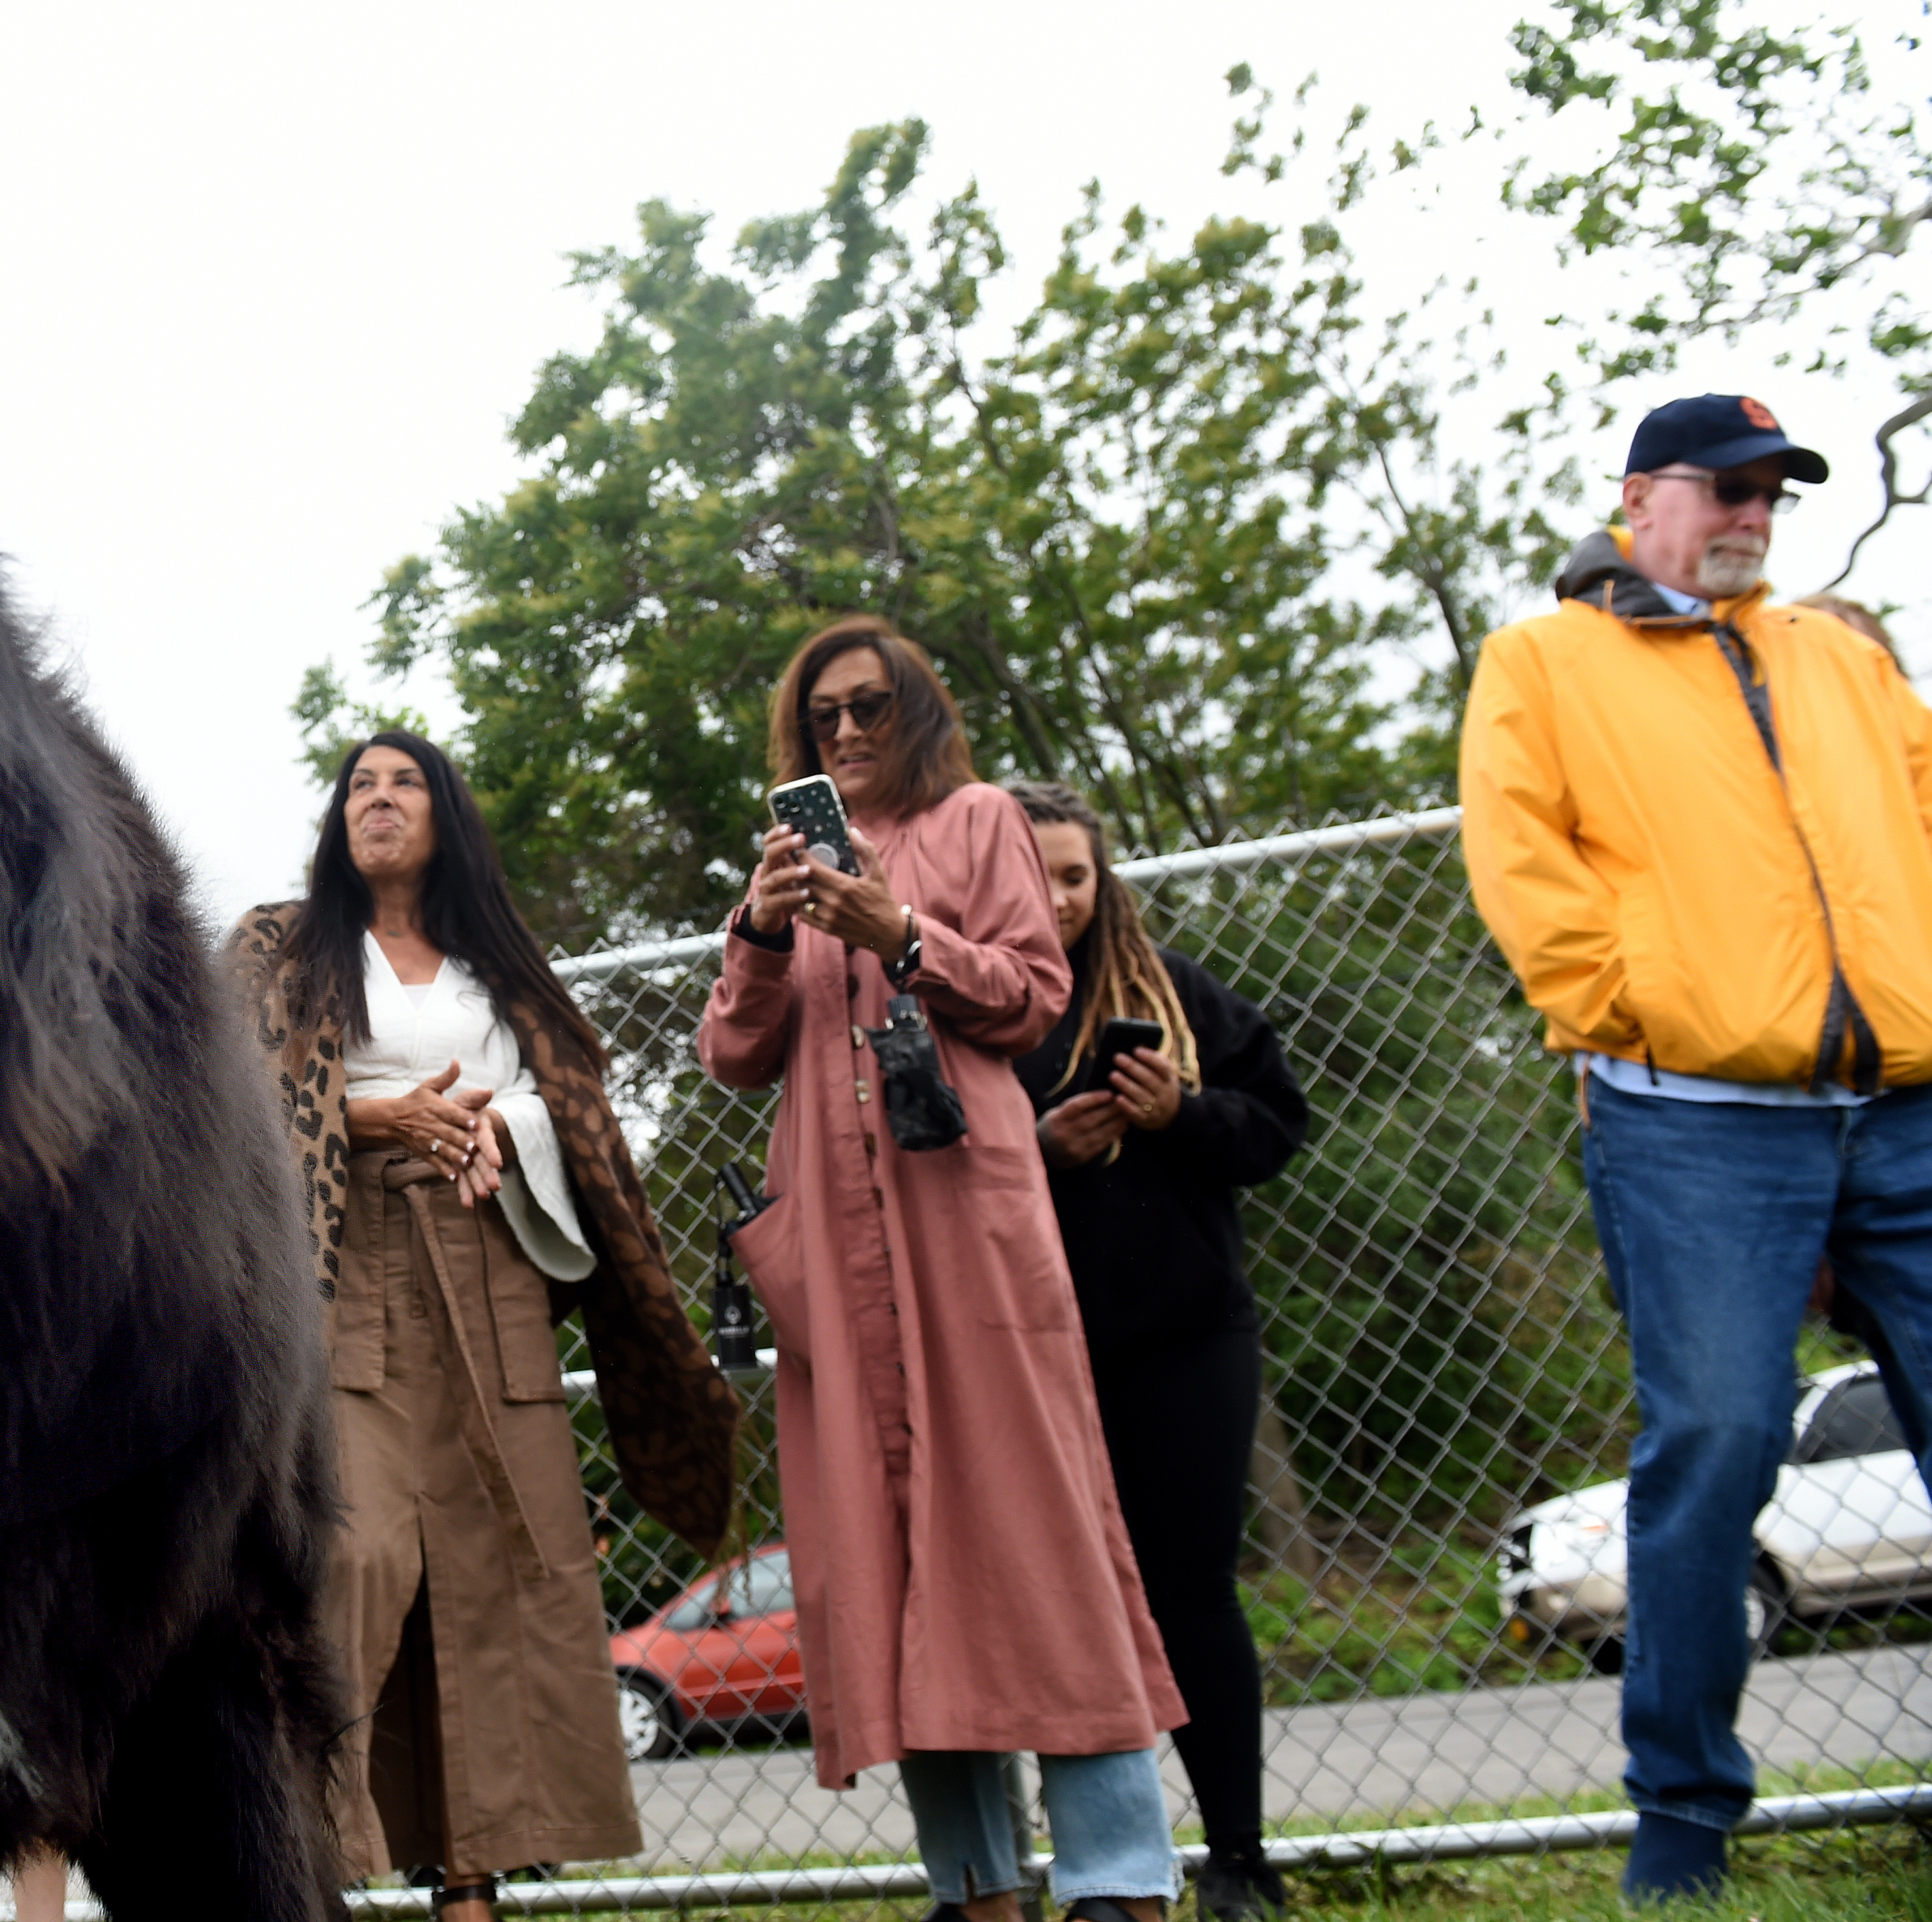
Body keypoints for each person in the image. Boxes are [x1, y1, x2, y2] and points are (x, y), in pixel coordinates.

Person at [1460, 392, 1932, 1902]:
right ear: (1638, 497)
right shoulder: (1543, 661)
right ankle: (1681, 1825)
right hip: (1693, 1121)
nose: (1749, 515)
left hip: (1908, 1109)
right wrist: (1639, 1014)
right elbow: (1520, 857)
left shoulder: (1838, 657)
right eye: (1722, 488)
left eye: (1772, 494)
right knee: (1720, 1443)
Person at [696, 617, 1186, 1922]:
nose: (845, 735)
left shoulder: (978, 820)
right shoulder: (789, 872)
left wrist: (898, 927)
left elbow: (1029, 995)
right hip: (837, 1261)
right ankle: (975, 1887)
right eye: (821, 721)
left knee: (1036, 1534)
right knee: (887, 1555)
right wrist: (761, 922)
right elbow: (730, 1054)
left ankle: (1118, 1877)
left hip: (965, 1225)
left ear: (912, 710)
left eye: (867, 708)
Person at [225, 731, 738, 1921]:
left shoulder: (502, 969)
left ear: (447, 815)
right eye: (361, 784)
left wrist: (506, 1127)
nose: (381, 799)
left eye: (406, 782)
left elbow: (581, 1109)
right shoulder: (283, 948)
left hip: (493, 1270)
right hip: (343, 1279)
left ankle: (475, 1883)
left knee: (497, 1570)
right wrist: (374, 1122)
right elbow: (235, 1108)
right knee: (351, 1559)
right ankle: (304, 1867)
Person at [1009, 782, 1313, 1920]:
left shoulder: (1167, 991)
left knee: (1192, 1591)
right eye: (1034, 873)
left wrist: (1180, 1115)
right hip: (1030, 1353)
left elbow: (1276, 1126)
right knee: (1055, 1603)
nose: (1057, 896)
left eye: (1076, 875)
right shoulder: (967, 1002)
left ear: (1105, 881)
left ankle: (1239, 1857)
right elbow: (922, 1172)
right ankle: (1097, 1872)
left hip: (1186, 1335)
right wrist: (1035, 1152)